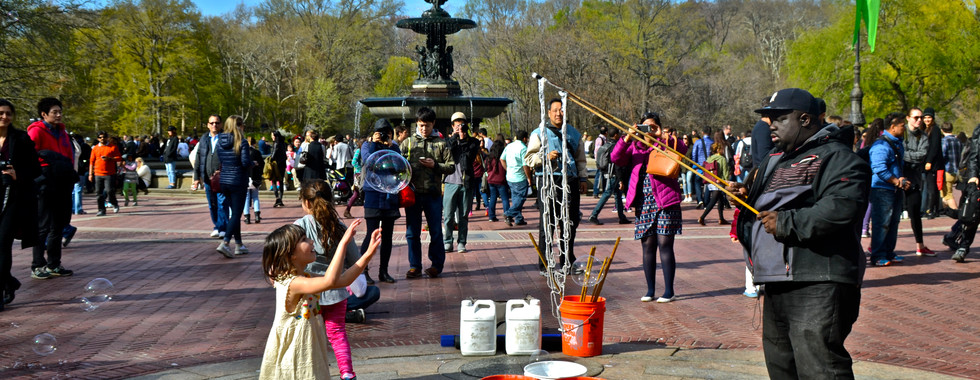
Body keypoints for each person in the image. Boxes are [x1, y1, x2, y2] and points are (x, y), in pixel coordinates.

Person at [730, 88, 868, 378]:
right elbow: (762, 207)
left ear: (805, 119)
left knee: (820, 368)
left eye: (779, 118)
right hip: (777, 278)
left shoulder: (840, 157)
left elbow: (841, 209)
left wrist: (785, 223)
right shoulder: (775, 159)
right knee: (782, 367)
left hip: (818, 280)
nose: (771, 126)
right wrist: (745, 196)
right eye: (769, 120)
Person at [258, 221, 381, 380]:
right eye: (303, 239)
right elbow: (330, 281)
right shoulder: (294, 283)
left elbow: (342, 280)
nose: (311, 241)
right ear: (290, 254)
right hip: (295, 354)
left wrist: (368, 254)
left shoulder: (305, 277)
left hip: (309, 350)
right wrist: (343, 243)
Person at [295, 180, 379, 380]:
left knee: (308, 336)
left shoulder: (299, 227)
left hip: (309, 292)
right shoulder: (340, 228)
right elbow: (354, 262)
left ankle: (308, 373)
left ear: (306, 202)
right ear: (331, 200)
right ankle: (347, 374)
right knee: (337, 333)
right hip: (337, 292)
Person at [611, 112, 686, 302]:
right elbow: (615, 157)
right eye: (645, 127)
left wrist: (662, 135)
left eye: (652, 127)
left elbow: (683, 149)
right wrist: (627, 136)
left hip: (666, 200)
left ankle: (669, 291)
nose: (648, 131)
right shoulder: (635, 147)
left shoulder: (664, 144)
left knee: (665, 243)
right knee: (648, 245)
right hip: (644, 202)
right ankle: (650, 290)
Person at [525, 98, 588, 273]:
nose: (559, 113)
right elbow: (529, 159)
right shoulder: (539, 133)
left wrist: (583, 179)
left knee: (570, 223)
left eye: (562, 110)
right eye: (555, 110)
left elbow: (581, 159)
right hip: (549, 181)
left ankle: (567, 261)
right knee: (548, 223)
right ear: (549, 113)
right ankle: (545, 263)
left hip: (571, 181)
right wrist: (545, 157)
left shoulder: (574, 134)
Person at [400, 107, 454, 279]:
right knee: (412, 232)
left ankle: (436, 265)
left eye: (428, 125)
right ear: (417, 123)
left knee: (436, 231)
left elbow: (451, 167)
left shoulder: (441, 143)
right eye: (422, 125)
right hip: (413, 195)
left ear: (434, 124)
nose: (424, 129)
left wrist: (435, 166)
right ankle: (414, 265)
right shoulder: (408, 143)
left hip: (433, 194)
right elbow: (398, 166)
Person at [28, 99, 78, 279]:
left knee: (58, 225)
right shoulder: (36, 131)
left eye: (60, 111)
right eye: (54, 112)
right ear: (44, 114)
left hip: (62, 181)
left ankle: (54, 264)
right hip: (45, 181)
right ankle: (37, 265)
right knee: (42, 226)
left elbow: (68, 155)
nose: (58, 115)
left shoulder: (63, 133)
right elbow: (28, 156)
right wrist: (39, 176)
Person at [0, 99, 40, 310]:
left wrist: (18, 174)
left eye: (8, 113)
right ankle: (9, 281)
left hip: (13, 198)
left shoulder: (21, 139)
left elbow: (36, 170)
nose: (5, 117)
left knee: (3, 243)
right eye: (1, 113)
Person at [870, 113, 913, 267]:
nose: (904, 129)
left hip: (894, 189)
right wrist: (896, 181)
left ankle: (889, 252)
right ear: (893, 127)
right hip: (882, 189)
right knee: (882, 223)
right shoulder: (881, 146)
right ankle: (878, 255)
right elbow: (879, 168)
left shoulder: (896, 143)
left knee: (893, 222)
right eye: (902, 126)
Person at [215, 115, 253, 258]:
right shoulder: (241, 142)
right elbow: (244, 162)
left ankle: (239, 244)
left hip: (224, 180)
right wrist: (252, 164)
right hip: (237, 180)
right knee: (237, 214)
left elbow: (220, 159)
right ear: (240, 126)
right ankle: (225, 243)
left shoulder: (220, 141)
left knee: (234, 214)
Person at [443, 112, 482, 253]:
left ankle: (461, 242)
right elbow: (450, 152)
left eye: (462, 125)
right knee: (448, 215)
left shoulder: (474, 142)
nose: (460, 127)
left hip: (466, 182)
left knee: (463, 216)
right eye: (457, 125)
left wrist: (463, 139)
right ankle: (447, 241)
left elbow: (468, 157)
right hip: (450, 182)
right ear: (452, 126)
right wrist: (455, 137)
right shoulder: (448, 141)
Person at [903, 108, 936, 256]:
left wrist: (906, 155)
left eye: (921, 118)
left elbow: (922, 155)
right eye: (916, 117)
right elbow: (899, 152)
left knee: (915, 211)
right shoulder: (900, 132)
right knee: (890, 213)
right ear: (908, 118)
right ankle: (878, 246)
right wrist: (909, 155)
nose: (919, 120)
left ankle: (920, 245)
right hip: (898, 177)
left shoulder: (923, 136)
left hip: (914, 178)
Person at [193, 115, 228, 239]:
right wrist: (196, 177)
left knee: (222, 202)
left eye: (217, 123)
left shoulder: (226, 138)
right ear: (208, 125)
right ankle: (217, 226)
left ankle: (222, 227)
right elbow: (198, 158)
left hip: (221, 177)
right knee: (212, 204)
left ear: (221, 124)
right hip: (207, 177)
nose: (214, 125)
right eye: (212, 123)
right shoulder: (203, 139)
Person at [588, 128, 629, 225]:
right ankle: (594, 215)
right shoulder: (615, 146)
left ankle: (621, 217)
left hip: (608, 172)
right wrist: (620, 178)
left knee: (617, 195)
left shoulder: (606, 145)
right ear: (615, 135)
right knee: (607, 193)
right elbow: (617, 163)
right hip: (614, 173)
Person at [88, 131, 122, 216]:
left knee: (109, 191)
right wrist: (90, 174)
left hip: (109, 173)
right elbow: (91, 161)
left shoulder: (112, 147)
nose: (102, 139)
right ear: (97, 138)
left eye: (103, 137)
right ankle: (101, 209)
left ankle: (114, 203)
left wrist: (110, 158)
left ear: (107, 137)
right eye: (100, 137)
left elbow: (119, 158)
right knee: (98, 193)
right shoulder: (95, 148)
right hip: (98, 173)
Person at [502, 130, 531, 226]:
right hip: (520, 177)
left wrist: (507, 169)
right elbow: (525, 165)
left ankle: (518, 218)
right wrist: (529, 177)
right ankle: (508, 214)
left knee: (515, 198)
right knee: (521, 198)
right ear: (524, 138)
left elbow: (502, 159)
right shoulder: (523, 148)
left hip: (510, 176)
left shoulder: (509, 146)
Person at [697, 142, 730, 225]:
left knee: (720, 199)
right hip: (718, 182)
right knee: (714, 200)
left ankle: (721, 218)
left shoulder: (709, 158)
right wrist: (726, 181)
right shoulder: (722, 159)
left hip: (710, 182)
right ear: (718, 150)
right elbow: (725, 172)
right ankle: (702, 217)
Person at [922, 107, 945, 219]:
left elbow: (934, 147)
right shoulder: (924, 129)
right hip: (927, 162)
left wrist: (929, 161)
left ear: (933, 118)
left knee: (932, 187)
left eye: (929, 117)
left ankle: (931, 209)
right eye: (925, 117)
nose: (927, 119)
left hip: (933, 164)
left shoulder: (935, 129)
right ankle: (934, 209)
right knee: (931, 187)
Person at [486, 138, 509, 223]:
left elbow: (487, 169)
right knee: (505, 199)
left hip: (491, 180)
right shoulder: (503, 157)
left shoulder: (489, 158)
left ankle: (491, 216)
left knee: (492, 198)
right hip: (501, 180)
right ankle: (507, 215)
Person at [690, 126, 713, 209]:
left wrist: (694, 165)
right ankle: (706, 202)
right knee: (708, 184)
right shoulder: (712, 142)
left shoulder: (698, 142)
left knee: (697, 182)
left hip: (699, 166)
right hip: (709, 166)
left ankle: (699, 199)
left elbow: (694, 154)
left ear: (702, 132)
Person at [940, 122, 962, 210]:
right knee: (945, 195)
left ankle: (955, 212)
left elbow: (943, 155)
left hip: (947, 169)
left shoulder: (944, 141)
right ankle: (947, 211)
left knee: (948, 194)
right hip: (957, 170)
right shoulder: (958, 140)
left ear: (942, 130)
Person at [245, 137, 264, 224]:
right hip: (255, 178)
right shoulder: (257, 152)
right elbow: (262, 164)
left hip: (246, 177)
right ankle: (257, 215)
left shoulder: (244, 152)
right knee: (255, 197)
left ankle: (247, 217)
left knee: (246, 198)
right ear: (254, 143)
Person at [270, 131, 288, 207]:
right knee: (281, 182)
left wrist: (270, 159)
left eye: (272, 135)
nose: (272, 137)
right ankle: (280, 198)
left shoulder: (276, 143)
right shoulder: (283, 143)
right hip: (282, 165)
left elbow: (273, 155)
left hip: (276, 165)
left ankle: (277, 198)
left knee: (273, 181)